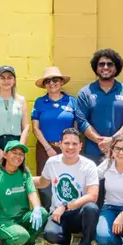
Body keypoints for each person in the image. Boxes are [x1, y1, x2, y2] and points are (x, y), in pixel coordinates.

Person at [34, 128, 100, 245]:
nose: (70, 147)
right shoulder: (52, 162)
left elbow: (93, 195)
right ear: (60, 144)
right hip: (58, 214)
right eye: (67, 143)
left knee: (91, 208)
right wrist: (20, 177)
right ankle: (64, 244)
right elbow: (42, 182)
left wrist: (65, 207)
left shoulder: (88, 165)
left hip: (77, 213)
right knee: (51, 235)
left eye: (75, 144)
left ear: (80, 146)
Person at [0, 141, 47, 245]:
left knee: (43, 213)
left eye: (21, 154)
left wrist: (36, 208)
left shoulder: (25, 172)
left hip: (22, 217)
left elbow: (32, 193)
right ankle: (3, 243)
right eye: (14, 152)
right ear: (5, 155)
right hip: (4, 222)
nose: (18, 156)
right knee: (21, 236)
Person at [75, 49, 123, 164]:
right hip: (93, 151)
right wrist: (101, 142)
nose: (105, 67)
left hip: (121, 151)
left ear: (116, 68)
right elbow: (81, 121)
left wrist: (113, 141)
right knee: (94, 182)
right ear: (96, 67)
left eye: (110, 64)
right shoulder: (85, 92)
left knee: (119, 182)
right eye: (101, 64)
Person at [31, 66, 76, 210]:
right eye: (47, 81)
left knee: (68, 180)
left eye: (55, 80)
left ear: (61, 82)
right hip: (45, 148)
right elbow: (35, 128)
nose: (52, 83)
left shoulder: (71, 101)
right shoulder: (39, 102)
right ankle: (48, 215)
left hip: (68, 149)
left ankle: (66, 215)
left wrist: (67, 146)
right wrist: (48, 147)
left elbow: (76, 127)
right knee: (44, 183)